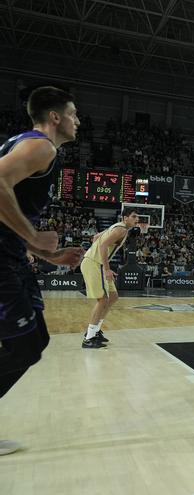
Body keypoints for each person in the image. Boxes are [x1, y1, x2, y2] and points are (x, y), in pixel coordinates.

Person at [0, 86, 85, 455]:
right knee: (22, 346)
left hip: (12, 254)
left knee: (35, 341)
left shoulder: (29, 146)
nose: (78, 120)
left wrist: (45, 253)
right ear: (55, 117)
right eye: (73, 113)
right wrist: (33, 235)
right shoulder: (41, 146)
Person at [79, 208, 142, 348]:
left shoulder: (116, 227)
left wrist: (104, 266)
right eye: (134, 216)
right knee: (103, 299)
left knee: (113, 296)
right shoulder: (121, 230)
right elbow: (102, 245)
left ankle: (95, 330)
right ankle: (88, 338)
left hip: (98, 264)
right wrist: (107, 268)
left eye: (137, 217)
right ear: (125, 218)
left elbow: (95, 238)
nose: (137, 220)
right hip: (94, 264)